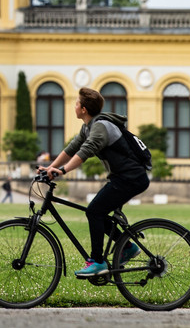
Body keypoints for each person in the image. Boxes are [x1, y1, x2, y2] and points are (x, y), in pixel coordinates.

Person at [39, 87, 150, 278]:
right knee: (97, 213)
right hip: (122, 178)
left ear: (83, 109)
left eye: (76, 103)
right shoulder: (89, 126)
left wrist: (62, 171)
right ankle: (127, 247)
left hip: (131, 178)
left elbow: (85, 151)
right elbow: (73, 148)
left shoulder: (100, 127)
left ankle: (97, 261)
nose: (74, 106)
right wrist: (51, 168)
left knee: (94, 211)